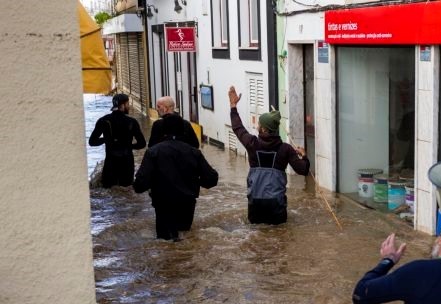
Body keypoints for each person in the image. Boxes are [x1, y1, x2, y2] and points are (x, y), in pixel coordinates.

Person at [228, 86, 310, 225]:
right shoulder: (286, 149)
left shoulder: (252, 144)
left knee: (256, 240)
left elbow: (238, 128)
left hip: (255, 203)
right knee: (279, 241)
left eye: (259, 124)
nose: (257, 126)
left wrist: (233, 106)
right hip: (276, 205)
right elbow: (303, 170)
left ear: (264, 128)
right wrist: (304, 156)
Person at [133, 115, 218, 241]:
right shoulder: (194, 152)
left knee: (165, 243)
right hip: (187, 203)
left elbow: (140, 184)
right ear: (183, 131)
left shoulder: (153, 152)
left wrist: (151, 185)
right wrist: (195, 182)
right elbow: (212, 178)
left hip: (162, 203)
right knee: (185, 241)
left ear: (163, 131)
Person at [88, 93, 146, 188]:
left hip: (110, 163)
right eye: (128, 104)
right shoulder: (132, 122)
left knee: (109, 190)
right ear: (122, 105)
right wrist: (129, 145)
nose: (129, 106)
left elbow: (92, 142)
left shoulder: (103, 120)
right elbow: (142, 144)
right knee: (126, 191)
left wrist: (106, 139)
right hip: (127, 163)